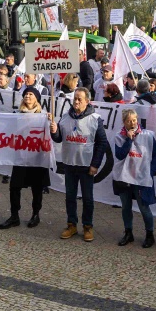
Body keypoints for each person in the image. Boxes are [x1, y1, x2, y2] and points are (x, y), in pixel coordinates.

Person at [50, 87, 109, 242]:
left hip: (86, 166)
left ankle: (87, 226)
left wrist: (95, 164)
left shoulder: (95, 119)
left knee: (88, 198)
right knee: (70, 197)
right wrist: (54, 131)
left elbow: (102, 143)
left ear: (87, 101)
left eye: (79, 99)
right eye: (75, 98)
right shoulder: (65, 117)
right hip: (69, 164)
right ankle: (71, 225)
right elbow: (58, 139)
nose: (76, 101)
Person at [0, 87, 52, 230]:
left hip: (37, 158)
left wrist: (52, 125)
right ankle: (14, 215)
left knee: (37, 187)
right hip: (21, 157)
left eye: (31, 94)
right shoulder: (16, 115)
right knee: (14, 186)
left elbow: (52, 136)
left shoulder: (43, 116)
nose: (27, 96)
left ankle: (35, 214)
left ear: (37, 99)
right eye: (26, 94)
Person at [113, 109, 156, 248]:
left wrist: (150, 172)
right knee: (126, 207)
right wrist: (128, 139)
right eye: (129, 121)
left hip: (141, 178)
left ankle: (150, 234)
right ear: (124, 122)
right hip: (124, 177)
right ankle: (128, 233)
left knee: (144, 208)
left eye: (134, 120)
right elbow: (120, 155)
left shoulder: (148, 135)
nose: (132, 123)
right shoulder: (119, 136)